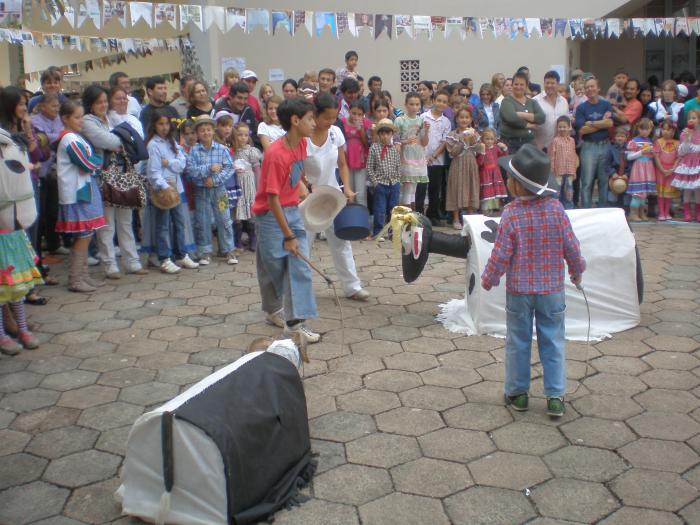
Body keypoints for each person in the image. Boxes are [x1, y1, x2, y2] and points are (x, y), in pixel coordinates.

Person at [481, 144, 586, 418]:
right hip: (551, 291)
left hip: (519, 291)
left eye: (510, 178)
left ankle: (518, 393)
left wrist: (489, 279)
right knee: (553, 340)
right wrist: (577, 270)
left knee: (518, 340)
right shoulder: (556, 209)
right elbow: (571, 247)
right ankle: (555, 396)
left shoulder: (512, 213)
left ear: (517, 186)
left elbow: (501, 253)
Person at [252, 97, 320, 342]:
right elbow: (272, 199)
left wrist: (305, 190)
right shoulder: (274, 153)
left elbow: (294, 175)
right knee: (273, 267)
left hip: (291, 210)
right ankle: (274, 312)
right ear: (295, 120)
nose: (314, 123)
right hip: (270, 215)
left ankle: (294, 322)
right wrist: (289, 235)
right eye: (310, 119)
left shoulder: (301, 144)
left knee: (297, 265)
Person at [303, 93, 369, 301]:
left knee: (342, 242)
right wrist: (303, 188)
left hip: (332, 195)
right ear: (315, 114)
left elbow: (342, 163)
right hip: (308, 199)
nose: (330, 122)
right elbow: (294, 169)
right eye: (326, 118)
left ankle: (352, 287)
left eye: (333, 118)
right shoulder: (303, 136)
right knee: (303, 245)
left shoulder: (335, 133)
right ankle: (300, 290)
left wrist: (347, 188)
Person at [81, 85, 143, 279]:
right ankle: (110, 265)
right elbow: (108, 141)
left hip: (122, 175)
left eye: (105, 101)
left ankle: (132, 262)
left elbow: (129, 137)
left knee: (126, 221)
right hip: (103, 177)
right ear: (90, 104)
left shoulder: (112, 117)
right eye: (99, 102)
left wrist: (120, 139)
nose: (103, 105)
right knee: (107, 224)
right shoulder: (87, 121)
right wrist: (120, 139)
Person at [55, 101, 108, 293]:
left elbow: (90, 160)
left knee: (87, 234)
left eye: (81, 117)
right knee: (83, 235)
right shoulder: (69, 139)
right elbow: (88, 163)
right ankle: (76, 279)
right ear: (65, 119)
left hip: (85, 190)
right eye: (76, 117)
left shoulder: (75, 137)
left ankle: (83, 276)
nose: (80, 121)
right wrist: (99, 160)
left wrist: (95, 160)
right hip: (78, 194)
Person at [146, 109, 199, 273]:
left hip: (177, 188)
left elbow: (182, 164)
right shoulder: (153, 145)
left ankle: (181, 254)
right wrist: (165, 187)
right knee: (163, 225)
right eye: (160, 124)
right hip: (164, 190)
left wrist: (168, 163)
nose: (164, 127)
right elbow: (153, 172)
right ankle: (164, 258)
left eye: (167, 123)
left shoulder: (172, 142)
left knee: (179, 222)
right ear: (154, 125)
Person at [186, 117, 237, 265]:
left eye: (208, 130)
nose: (206, 133)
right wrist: (207, 170)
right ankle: (205, 252)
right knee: (203, 221)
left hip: (219, 191)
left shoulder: (221, 149)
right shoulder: (194, 151)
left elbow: (229, 167)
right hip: (201, 192)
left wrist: (215, 179)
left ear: (213, 131)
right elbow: (191, 170)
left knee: (224, 219)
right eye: (202, 130)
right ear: (197, 133)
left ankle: (228, 249)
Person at [574, 76, 614, 208]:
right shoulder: (581, 108)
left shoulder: (606, 104)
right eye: (587, 87)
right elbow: (582, 131)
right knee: (587, 181)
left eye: (592, 86)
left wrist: (591, 123)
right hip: (588, 147)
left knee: (603, 180)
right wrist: (601, 123)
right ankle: (586, 209)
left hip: (605, 145)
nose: (590, 89)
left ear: (598, 88)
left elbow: (609, 123)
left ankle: (602, 209)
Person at [418, 90, 451, 223]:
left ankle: (432, 215)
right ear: (433, 101)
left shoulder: (446, 122)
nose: (441, 104)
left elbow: (444, 142)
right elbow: (418, 136)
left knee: (434, 188)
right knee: (421, 188)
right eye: (439, 100)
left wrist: (433, 156)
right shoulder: (423, 117)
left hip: (437, 160)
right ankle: (419, 215)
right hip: (421, 159)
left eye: (444, 101)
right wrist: (425, 156)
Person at [445, 107, 480, 228]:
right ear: (456, 119)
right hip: (457, 163)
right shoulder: (452, 135)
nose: (464, 120)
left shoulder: (474, 133)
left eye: (467, 117)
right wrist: (462, 141)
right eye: (461, 117)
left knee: (471, 187)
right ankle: (456, 219)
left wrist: (473, 139)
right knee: (456, 188)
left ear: (470, 119)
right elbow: (452, 152)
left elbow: (478, 149)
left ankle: (470, 218)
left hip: (471, 163)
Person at [367, 118, 401, 238]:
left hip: (394, 184)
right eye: (382, 133)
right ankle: (378, 232)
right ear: (379, 134)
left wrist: (397, 180)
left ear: (392, 134)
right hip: (381, 184)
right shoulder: (374, 148)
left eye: (387, 133)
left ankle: (393, 232)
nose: (385, 136)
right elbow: (370, 167)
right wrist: (375, 183)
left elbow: (398, 166)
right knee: (380, 210)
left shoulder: (394, 149)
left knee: (393, 209)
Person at [231, 122, 261, 253]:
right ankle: (237, 239)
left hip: (249, 183)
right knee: (237, 211)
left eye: (245, 135)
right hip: (236, 183)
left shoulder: (251, 151)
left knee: (251, 211)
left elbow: (257, 169)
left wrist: (259, 186)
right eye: (239, 135)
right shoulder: (232, 151)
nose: (243, 137)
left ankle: (253, 238)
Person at [396, 92, 429, 208]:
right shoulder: (400, 120)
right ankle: (406, 214)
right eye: (411, 104)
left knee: (413, 189)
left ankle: (411, 216)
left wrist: (426, 131)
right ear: (406, 104)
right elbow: (395, 141)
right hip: (406, 156)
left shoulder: (421, 120)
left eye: (417, 104)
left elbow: (424, 143)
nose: (414, 107)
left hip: (418, 156)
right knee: (407, 188)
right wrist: (406, 141)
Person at [500, 72, 545, 154]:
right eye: (516, 84)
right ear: (512, 85)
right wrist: (529, 125)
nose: (518, 87)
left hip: (529, 143)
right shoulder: (507, 101)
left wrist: (521, 114)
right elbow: (511, 117)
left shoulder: (532, 102)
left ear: (526, 86)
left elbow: (541, 117)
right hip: (511, 145)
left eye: (522, 84)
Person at [341, 99, 371, 207]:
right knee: (349, 190)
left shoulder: (366, 122)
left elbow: (367, 144)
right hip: (346, 159)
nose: (356, 117)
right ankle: (351, 217)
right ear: (349, 111)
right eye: (353, 113)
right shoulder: (343, 122)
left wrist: (361, 129)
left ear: (363, 114)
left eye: (360, 114)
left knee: (360, 192)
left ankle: (363, 218)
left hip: (360, 159)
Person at [626, 118, 657, 221]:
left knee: (645, 193)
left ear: (651, 129)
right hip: (638, 167)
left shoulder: (650, 141)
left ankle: (642, 213)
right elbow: (629, 157)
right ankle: (633, 214)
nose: (644, 131)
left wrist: (652, 154)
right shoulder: (634, 141)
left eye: (647, 129)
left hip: (648, 167)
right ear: (638, 128)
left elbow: (652, 156)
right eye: (642, 129)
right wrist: (642, 152)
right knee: (637, 193)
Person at [672, 109, 700, 221]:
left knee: (698, 189)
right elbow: (682, 152)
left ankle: (698, 212)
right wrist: (687, 139)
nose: (691, 120)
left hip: (698, 164)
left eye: (694, 118)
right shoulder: (684, 133)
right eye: (689, 118)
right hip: (688, 163)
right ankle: (687, 212)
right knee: (687, 189)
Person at [213, 82, 260, 148]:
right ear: (230, 96)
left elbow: (254, 135)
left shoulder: (248, 110)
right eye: (239, 98)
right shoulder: (219, 108)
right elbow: (213, 132)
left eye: (245, 98)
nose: (242, 102)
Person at [533, 71, 570, 151]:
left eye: (552, 83)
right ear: (544, 83)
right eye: (547, 83)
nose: (549, 85)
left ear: (558, 84)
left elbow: (567, 123)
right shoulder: (535, 101)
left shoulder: (564, 101)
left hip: (560, 148)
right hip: (540, 148)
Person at [548, 115, 579, 209]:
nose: (562, 129)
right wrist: (552, 170)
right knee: (556, 191)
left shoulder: (572, 141)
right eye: (560, 127)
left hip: (569, 170)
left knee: (568, 191)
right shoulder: (555, 141)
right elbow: (552, 156)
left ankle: (569, 208)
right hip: (558, 171)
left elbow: (573, 155)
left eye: (564, 127)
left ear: (569, 127)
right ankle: (556, 208)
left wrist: (574, 171)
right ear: (557, 128)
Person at [476, 128, 508, 216]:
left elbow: (503, 159)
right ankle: (485, 210)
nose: (489, 141)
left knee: (495, 192)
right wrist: (482, 152)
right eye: (487, 139)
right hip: (485, 174)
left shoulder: (496, 148)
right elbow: (479, 163)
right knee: (487, 193)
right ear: (482, 139)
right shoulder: (481, 149)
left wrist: (504, 149)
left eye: (491, 139)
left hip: (495, 173)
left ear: (494, 140)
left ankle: (494, 210)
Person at [654, 120, 680, 221]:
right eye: (663, 129)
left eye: (668, 129)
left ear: (673, 131)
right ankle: (661, 212)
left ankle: (667, 212)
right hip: (660, 170)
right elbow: (656, 157)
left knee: (668, 192)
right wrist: (662, 169)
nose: (665, 131)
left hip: (671, 170)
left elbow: (679, 157)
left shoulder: (677, 143)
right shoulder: (658, 142)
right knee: (661, 192)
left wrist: (673, 169)